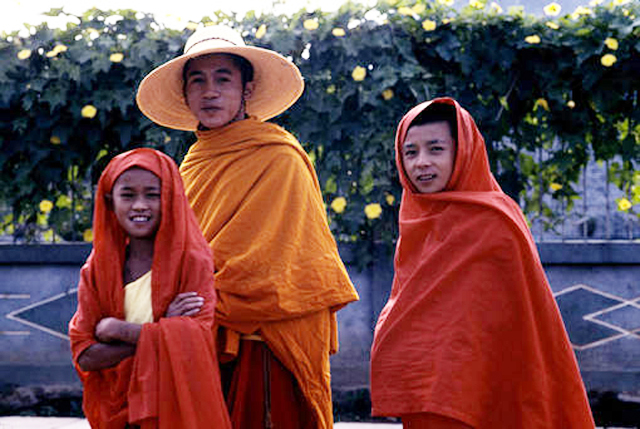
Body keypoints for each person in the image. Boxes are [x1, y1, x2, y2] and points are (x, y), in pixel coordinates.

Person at [136, 26, 359, 428]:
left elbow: (279, 262)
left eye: (223, 78)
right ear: (185, 95)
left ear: (247, 89)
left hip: (265, 344)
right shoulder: (189, 167)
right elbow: (169, 252)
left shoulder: (280, 158)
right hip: (200, 342)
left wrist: (203, 294)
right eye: (197, 81)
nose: (210, 91)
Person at [370, 98, 595, 428]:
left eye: (435, 149)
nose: (421, 163)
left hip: (485, 389)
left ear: (463, 151)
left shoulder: (495, 220)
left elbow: (520, 323)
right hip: (425, 389)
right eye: (410, 152)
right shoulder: (416, 219)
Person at [69, 148, 231, 429]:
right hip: (115, 408)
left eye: (152, 195)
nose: (140, 205)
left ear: (170, 199)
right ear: (110, 201)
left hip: (174, 405)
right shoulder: (98, 268)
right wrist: (161, 328)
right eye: (128, 195)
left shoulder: (192, 261)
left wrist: (117, 331)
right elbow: (85, 355)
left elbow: (199, 340)